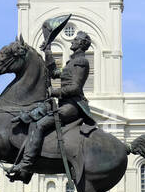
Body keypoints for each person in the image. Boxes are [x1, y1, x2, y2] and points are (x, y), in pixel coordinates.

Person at [7, 30, 96, 183]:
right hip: (64, 103)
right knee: (32, 116)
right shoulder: (71, 62)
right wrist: (48, 51)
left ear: (81, 44)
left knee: (40, 125)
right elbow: (54, 72)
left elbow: (75, 88)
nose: (72, 42)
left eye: (76, 40)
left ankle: (26, 165)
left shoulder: (81, 62)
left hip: (73, 105)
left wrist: (53, 91)